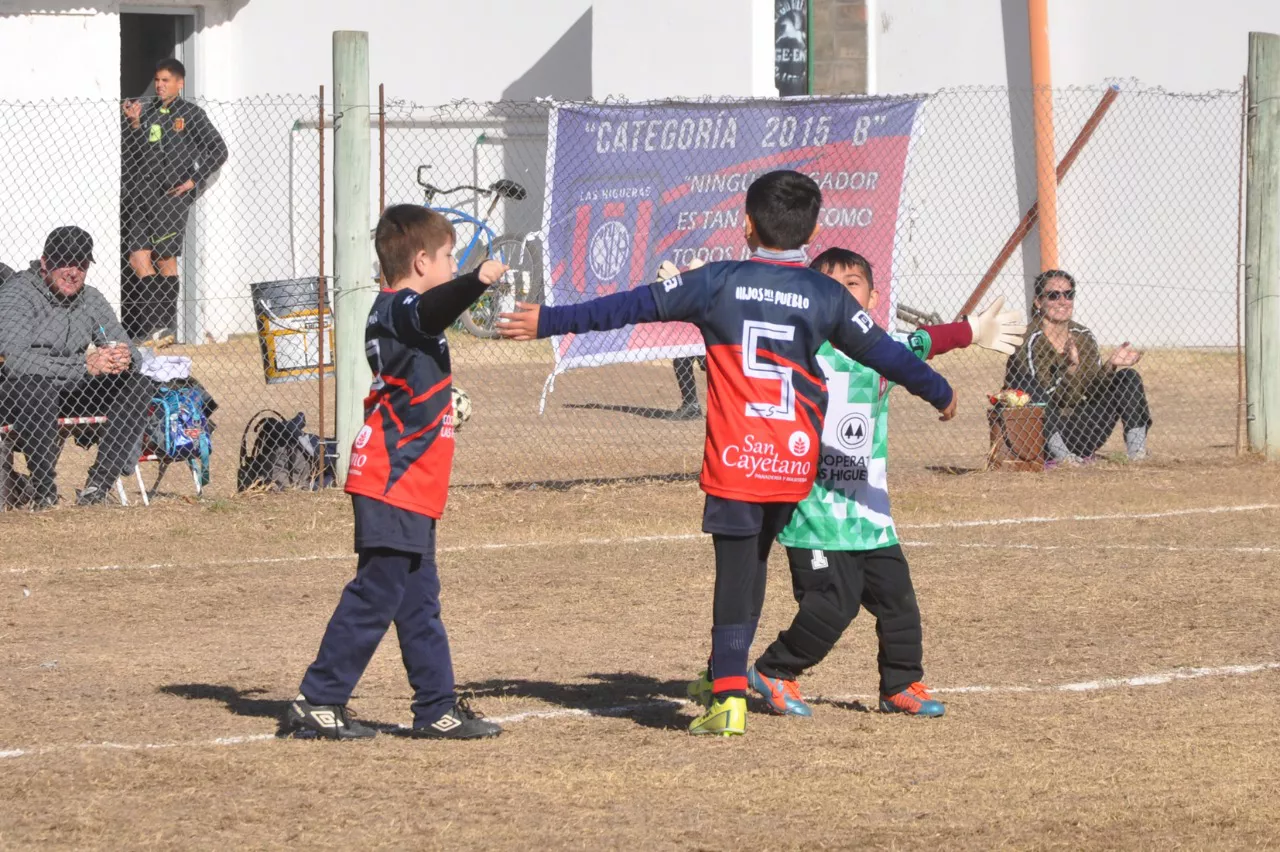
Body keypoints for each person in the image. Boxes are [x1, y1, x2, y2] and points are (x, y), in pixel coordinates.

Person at [499, 170, 957, 736]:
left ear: (746, 225)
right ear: (813, 230)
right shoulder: (827, 295)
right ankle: (726, 676)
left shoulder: (716, 282)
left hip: (737, 458)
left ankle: (728, 699)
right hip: (793, 464)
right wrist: (940, 391)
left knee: (739, 574)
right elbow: (886, 352)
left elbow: (630, 306)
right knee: (756, 566)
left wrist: (551, 319)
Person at [711, 248, 1023, 719]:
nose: (840, 292)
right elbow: (742, 342)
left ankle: (900, 684)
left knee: (898, 602)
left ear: (873, 298)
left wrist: (973, 331)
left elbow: (924, 342)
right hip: (813, 513)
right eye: (829, 284)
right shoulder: (798, 347)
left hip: (870, 515)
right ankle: (775, 670)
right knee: (832, 606)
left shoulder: (881, 351)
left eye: (852, 284)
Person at [282, 205, 507, 741]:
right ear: (422, 261)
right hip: (391, 479)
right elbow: (430, 310)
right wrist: (477, 279)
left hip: (413, 483)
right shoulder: (398, 307)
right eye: (449, 257)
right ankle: (319, 698)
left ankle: (436, 708)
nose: (453, 266)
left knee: (419, 602)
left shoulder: (402, 312)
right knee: (376, 593)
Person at [0, 226, 149, 508]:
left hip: (72, 392)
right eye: (65, 262)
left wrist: (122, 358)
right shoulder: (17, 294)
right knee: (36, 386)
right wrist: (83, 365)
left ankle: (97, 487)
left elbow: (133, 353)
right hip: (19, 395)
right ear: (45, 263)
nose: (73, 272)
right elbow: (15, 361)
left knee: (137, 384)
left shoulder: (90, 299)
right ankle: (44, 490)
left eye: (81, 264)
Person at [121, 58, 228, 343]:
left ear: (180, 83)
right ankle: (152, 327)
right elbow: (139, 152)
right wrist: (135, 123)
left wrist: (194, 180)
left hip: (170, 199)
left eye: (165, 80)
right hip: (143, 196)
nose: (159, 85)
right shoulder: (147, 111)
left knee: (164, 258)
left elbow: (219, 150)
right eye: (157, 80)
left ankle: (164, 327)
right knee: (137, 257)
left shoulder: (191, 114)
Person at [1004, 269, 1151, 464]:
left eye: (1069, 294)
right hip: (1040, 433)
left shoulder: (1083, 336)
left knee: (1128, 377)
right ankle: (1064, 459)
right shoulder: (1028, 340)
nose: (1063, 301)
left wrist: (1110, 366)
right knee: (1028, 384)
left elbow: (1093, 390)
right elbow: (1042, 396)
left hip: (1081, 427)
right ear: (1039, 302)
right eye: (1053, 295)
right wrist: (1067, 368)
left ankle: (1137, 452)